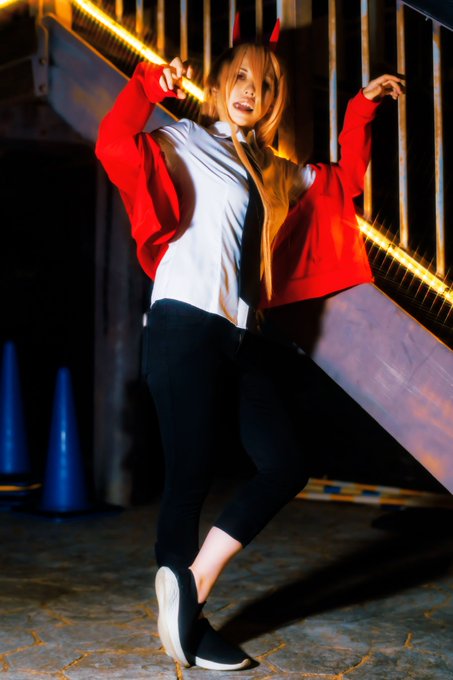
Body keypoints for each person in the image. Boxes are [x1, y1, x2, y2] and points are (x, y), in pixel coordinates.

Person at [95, 24, 403, 672]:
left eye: (264, 85)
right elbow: (113, 143)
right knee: (190, 474)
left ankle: (192, 586)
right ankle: (189, 625)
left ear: (272, 101)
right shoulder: (185, 138)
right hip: (183, 323)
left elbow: (344, 181)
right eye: (240, 77)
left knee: (285, 464)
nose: (250, 92)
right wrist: (148, 85)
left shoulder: (274, 171)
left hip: (238, 336)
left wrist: (361, 109)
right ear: (218, 83)